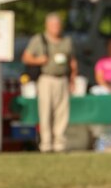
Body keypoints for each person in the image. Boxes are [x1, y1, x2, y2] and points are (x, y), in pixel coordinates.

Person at [22, 12, 77, 152]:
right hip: (46, 78)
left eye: (58, 25)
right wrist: (38, 60)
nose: (56, 28)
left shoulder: (67, 40)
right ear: (47, 26)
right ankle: (46, 143)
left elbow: (72, 61)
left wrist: (73, 78)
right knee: (45, 111)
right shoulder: (38, 39)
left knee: (62, 112)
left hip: (62, 79)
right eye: (53, 25)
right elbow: (26, 57)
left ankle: (59, 143)